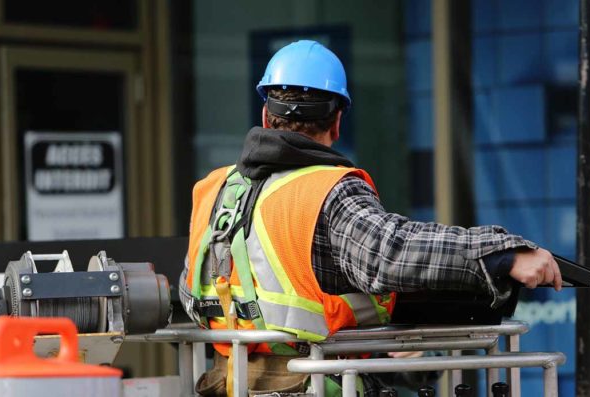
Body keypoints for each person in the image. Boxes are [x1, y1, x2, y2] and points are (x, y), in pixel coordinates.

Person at [178, 40, 562, 396]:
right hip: (313, 385)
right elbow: (389, 253)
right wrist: (503, 254)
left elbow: (191, 290)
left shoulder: (213, 190)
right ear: (337, 122)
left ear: (265, 113)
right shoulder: (327, 190)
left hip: (231, 384)